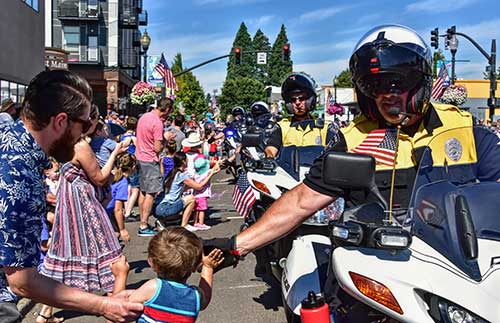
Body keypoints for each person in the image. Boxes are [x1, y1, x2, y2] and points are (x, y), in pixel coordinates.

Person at [208, 24, 500, 279]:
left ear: (420, 80)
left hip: (463, 270)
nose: (388, 94)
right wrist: (237, 244)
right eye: (376, 85)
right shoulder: (354, 139)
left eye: (399, 81)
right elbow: (301, 201)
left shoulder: (465, 129)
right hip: (381, 270)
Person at [0, 70, 142, 323]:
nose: (87, 132)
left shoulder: (9, 140)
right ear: (60, 121)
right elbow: (22, 281)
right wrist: (104, 305)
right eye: (86, 124)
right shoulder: (19, 174)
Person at [41, 104, 131, 321]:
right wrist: (116, 153)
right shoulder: (80, 145)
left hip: (68, 203)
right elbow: (99, 177)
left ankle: (45, 313)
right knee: (115, 258)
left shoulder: (62, 142)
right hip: (84, 205)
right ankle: (115, 307)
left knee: (63, 255)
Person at [129, 227, 224, 322]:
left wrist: (121, 275)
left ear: (151, 262)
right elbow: (205, 300)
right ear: (195, 266)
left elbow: (124, 308)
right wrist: (208, 267)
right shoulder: (195, 296)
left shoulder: (153, 287)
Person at [264, 73, 333, 158]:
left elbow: (335, 154)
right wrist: (269, 156)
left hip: (317, 170)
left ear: (310, 100)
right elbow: (271, 147)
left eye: (301, 98)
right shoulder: (281, 127)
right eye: (293, 100)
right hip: (287, 170)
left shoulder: (324, 128)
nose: (297, 103)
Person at [136, 97, 173, 237]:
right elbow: (158, 148)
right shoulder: (157, 123)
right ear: (167, 109)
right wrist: (166, 138)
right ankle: (143, 225)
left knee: (143, 192)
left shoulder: (144, 117)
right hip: (150, 160)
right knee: (151, 194)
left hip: (140, 157)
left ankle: (142, 221)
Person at [155, 152, 220, 232]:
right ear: (183, 161)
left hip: (157, 207)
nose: (188, 160)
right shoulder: (182, 176)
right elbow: (199, 187)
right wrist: (211, 174)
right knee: (191, 198)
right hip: (166, 207)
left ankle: (163, 221)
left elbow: (186, 187)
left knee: (183, 202)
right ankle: (184, 225)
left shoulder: (171, 173)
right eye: (187, 159)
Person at [106, 153, 137, 243]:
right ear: (133, 167)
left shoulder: (113, 177)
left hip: (104, 209)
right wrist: (122, 229)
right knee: (116, 234)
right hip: (105, 212)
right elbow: (118, 209)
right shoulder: (123, 183)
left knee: (116, 233)